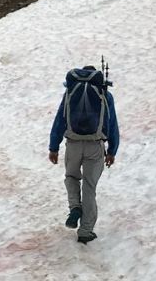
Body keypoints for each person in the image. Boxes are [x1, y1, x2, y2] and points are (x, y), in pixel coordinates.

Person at [48, 65, 120, 244]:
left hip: (73, 144)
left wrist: (53, 147)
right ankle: (86, 231)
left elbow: (60, 119)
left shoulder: (71, 92)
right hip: (95, 146)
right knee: (89, 187)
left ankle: (75, 207)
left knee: (71, 177)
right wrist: (112, 150)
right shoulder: (105, 95)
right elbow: (112, 124)